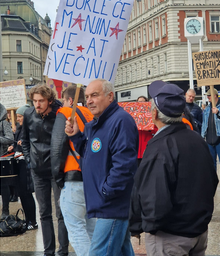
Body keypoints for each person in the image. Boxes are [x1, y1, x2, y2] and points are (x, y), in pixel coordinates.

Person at [130, 80, 218, 255]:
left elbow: (154, 196)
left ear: (154, 113)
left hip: (170, 236)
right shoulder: (196, 139)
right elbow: (211, 180)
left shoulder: (159, 147)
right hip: (197, 231)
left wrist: (145, 226)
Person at [65, 79, 138, 256]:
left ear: (110, 96)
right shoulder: (94, 124)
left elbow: (124, 165)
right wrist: (76, 136)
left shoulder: (121, 121)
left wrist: (106, 192)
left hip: (112, 205)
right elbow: (90, 155)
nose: (89, 100)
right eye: (87, 96)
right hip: (105, 203)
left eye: (94, 95)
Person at [22, 84, 69, 256]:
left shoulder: (60, 113)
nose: (37, 104)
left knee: (61, 212)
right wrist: (29, 160)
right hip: (37, 169)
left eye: (41, 101)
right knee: (43, 213)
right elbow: (24, 140)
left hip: (57, 169)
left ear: (50, 100)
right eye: (34, 101)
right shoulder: (29, 114)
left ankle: (62, 251)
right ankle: (48, 251)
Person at [51, 84, 95, 256]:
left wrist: (57, 177)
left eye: (63, 101)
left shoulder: (66, 113)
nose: (61, 104)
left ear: (70, 100)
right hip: (91, 179)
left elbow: (57, 148)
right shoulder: (92, 115)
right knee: (91, 229)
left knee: (76, 230)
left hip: (72, 177)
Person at [6, 104, 37, 230]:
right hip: (18, 162)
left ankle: (33, 221)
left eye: (20, 116)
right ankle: (28, 219)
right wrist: (13, 147)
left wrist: (24, 144)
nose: (17, 119)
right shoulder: (19, 129)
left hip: (26, 164)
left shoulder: (31, 128)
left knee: (27, 193)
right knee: (22, 194)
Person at [201, 88, 220, 188]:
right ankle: (213, 180)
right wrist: (202, 137)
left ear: (215, 96)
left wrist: (218, 113)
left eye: (209, 95)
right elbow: (204, 124)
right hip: (209, 139)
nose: (208, 97)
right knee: (211, 162)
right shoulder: (207, 109)